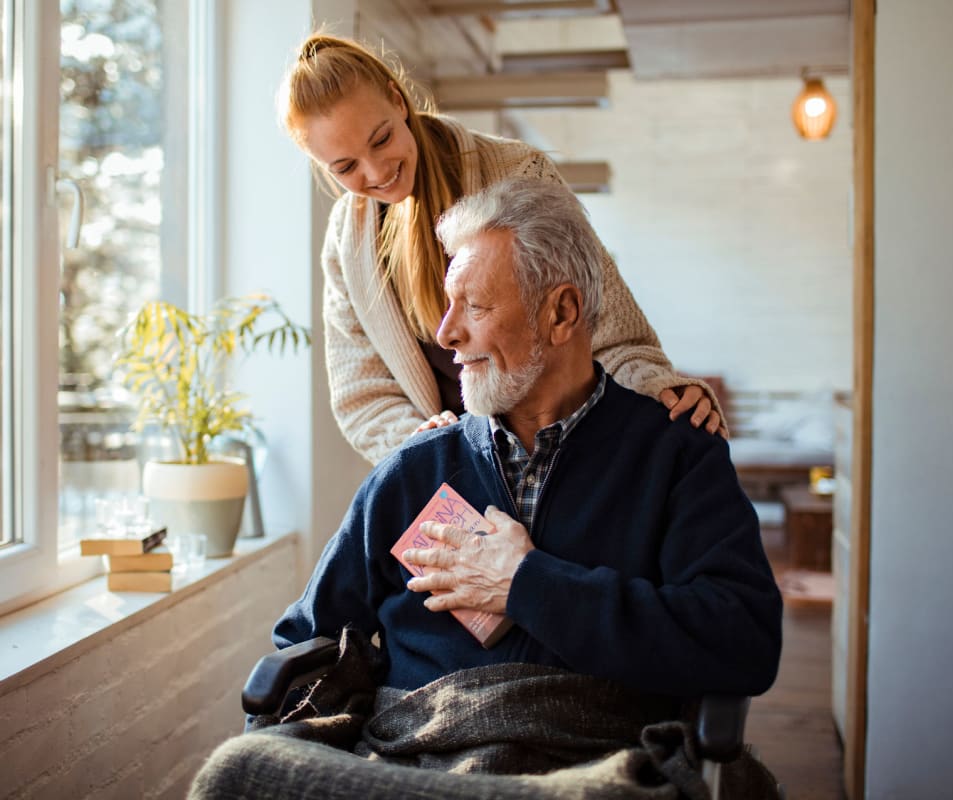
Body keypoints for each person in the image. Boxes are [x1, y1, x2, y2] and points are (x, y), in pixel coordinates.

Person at [188, 178, 781, 800]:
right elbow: (306, 637)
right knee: (239, 769)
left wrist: (527, 584)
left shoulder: (677, 456)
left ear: (561, 313)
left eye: (474, 306)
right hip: (413, 758)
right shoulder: (416, 469)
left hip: (592, 762)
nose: (446, 334)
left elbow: (743, 643)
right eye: (447, 305)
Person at [278, 32, 727, 465]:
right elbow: (363, 394)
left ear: (398, 101)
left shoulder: (518, 171)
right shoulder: (346, 242)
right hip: (451, 472)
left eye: (381, 139)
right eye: (345, 167)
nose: (376, 171)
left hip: (564, 450)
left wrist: (659, 389)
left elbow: (606, 322)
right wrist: (420, 446)